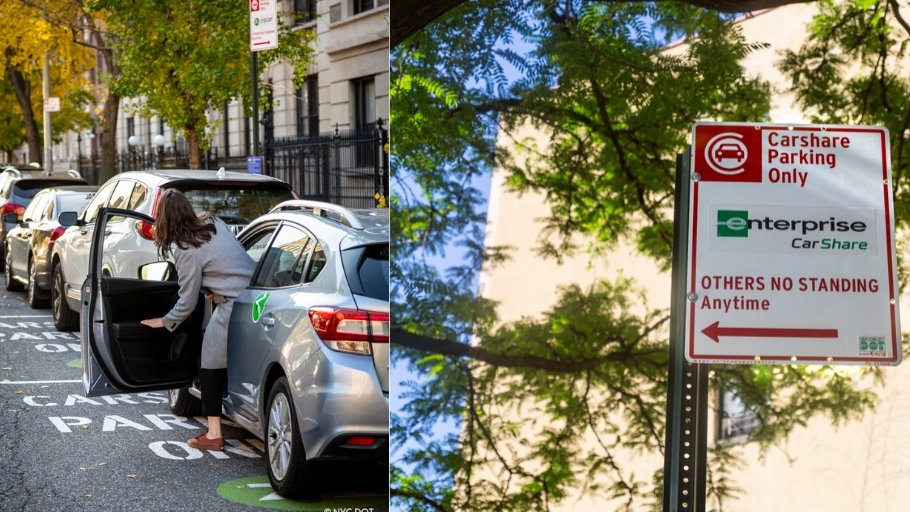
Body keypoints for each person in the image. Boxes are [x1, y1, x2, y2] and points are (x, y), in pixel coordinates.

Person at [141, 189, 256, 451]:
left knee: (209, 365)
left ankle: (214, 434)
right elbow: (226, 259)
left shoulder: (186, 249)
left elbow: (187, 300)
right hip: (255, 295)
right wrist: (212, 285)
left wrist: (165, 321)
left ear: (164, 219)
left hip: (233, 305)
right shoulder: (212, 221)